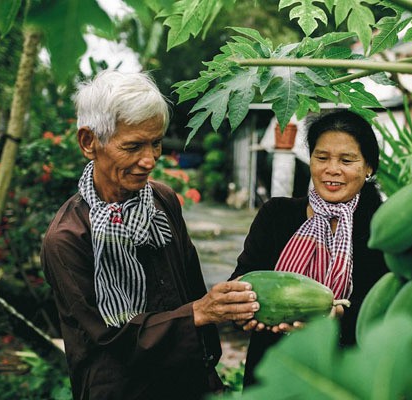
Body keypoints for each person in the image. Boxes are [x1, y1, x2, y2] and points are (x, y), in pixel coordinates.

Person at [40, 70, 259, 400]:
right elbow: (110, 337)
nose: (149, 160)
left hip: (186, 381)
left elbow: (189, 281)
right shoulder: (68, 239)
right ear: (89, 142)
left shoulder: (162, 200)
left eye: (156, 143)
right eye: (133, 146)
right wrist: (199, 313)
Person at [230, 109, 389, 387]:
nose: (332, 169)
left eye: (347, 160)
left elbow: (385, 310)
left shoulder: (383, 226)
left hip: (343, 377)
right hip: (274, 370)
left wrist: (338, 317)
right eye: (322, 157)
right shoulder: (276, 215)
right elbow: (243, 280)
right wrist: (243, 309)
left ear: (369, 168)